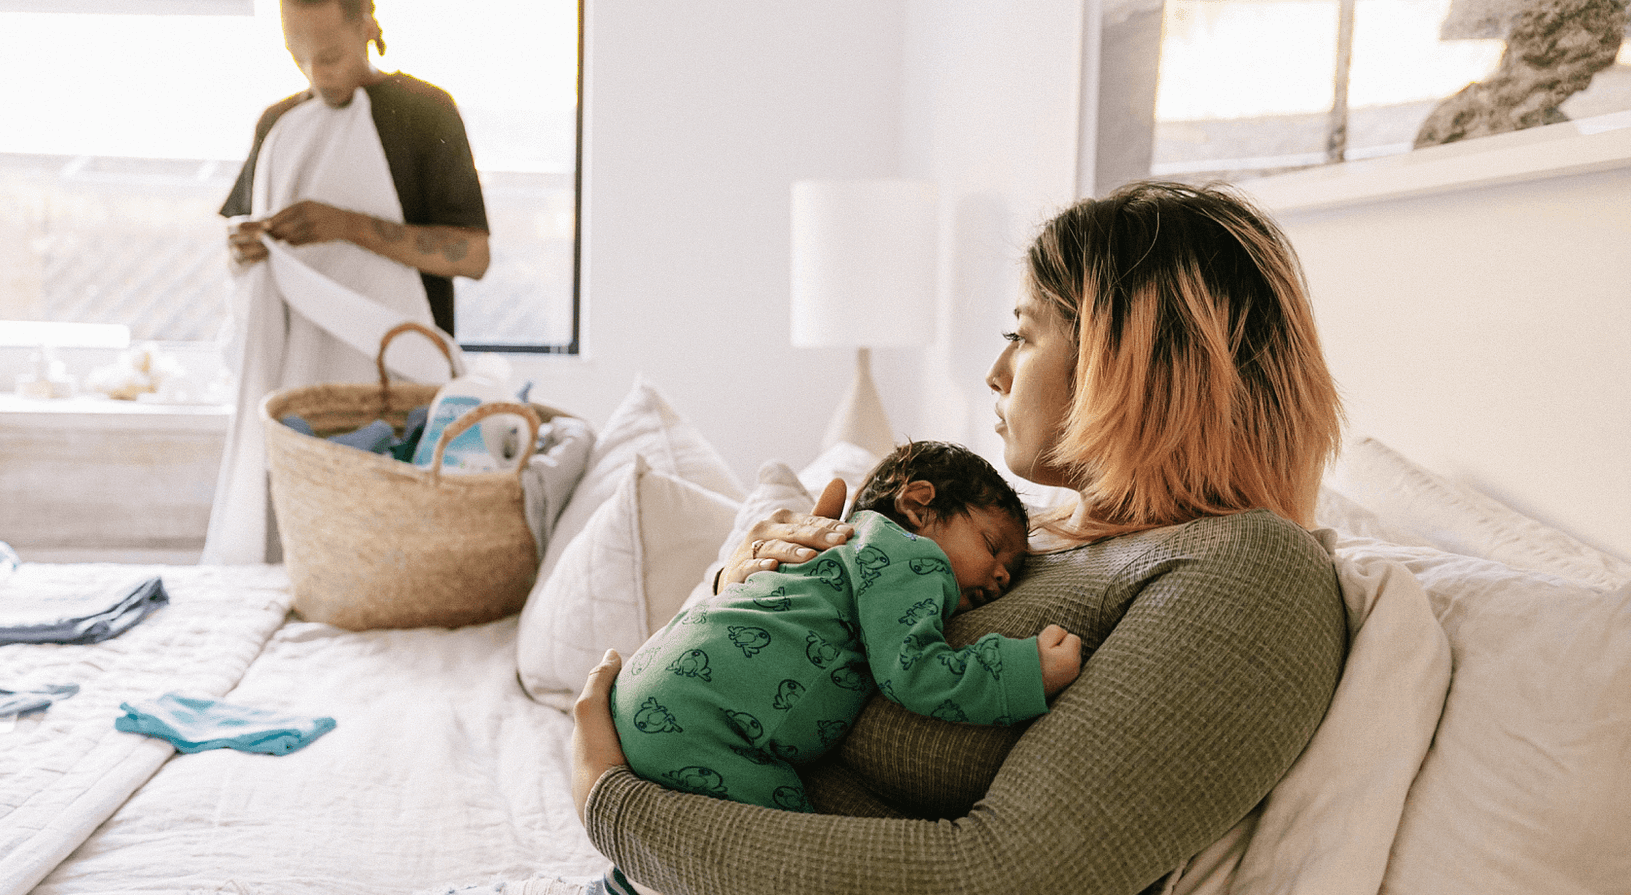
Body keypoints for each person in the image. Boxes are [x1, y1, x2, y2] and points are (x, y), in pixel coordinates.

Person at [570, 181, 1350, 894]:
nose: (996, 372)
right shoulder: (1034, 533)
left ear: (1129, 362)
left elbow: (1005, 875)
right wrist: (740, 576)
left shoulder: (1251, 571)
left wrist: (611, 803)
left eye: (1025, 334)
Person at [611, 441, 1083, 814]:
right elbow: (914, 672)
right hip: (702, 720)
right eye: (992, 545)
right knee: (788, 843)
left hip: (645, 684)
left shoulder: (845, 549)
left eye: (1013, 571)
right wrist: (1024, 671)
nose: (1002, 576)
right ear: (919, 505)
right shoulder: (913, 559)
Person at [202, 0, 490, 564]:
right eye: (297, 57)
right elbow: (241, 244)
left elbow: (474, 256)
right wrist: (244, 246)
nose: (316, 75)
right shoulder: (278, 125)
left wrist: (347, 227)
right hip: (308, 395)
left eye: (329, 56)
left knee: (398, 558)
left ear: (367, 23)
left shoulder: (425, 113)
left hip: (405, 389)